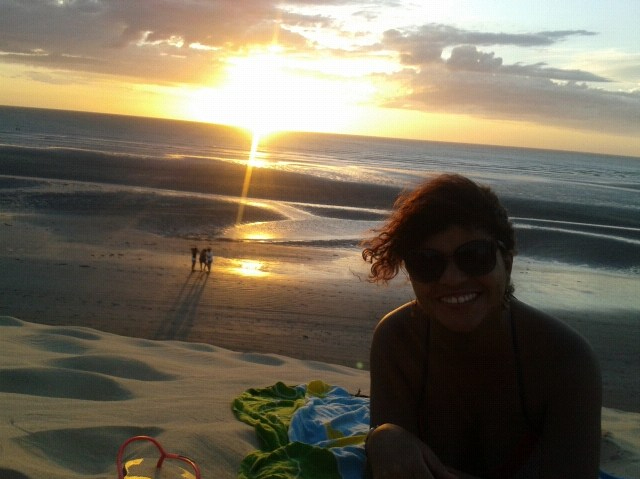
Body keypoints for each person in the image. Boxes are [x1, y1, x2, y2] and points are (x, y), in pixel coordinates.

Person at [361, 174, 601, 479]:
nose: (452, 279)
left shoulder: (564, 359)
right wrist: (382, 437)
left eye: (474, 256)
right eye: (427, 262)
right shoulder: (398, 341)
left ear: (507, 262)